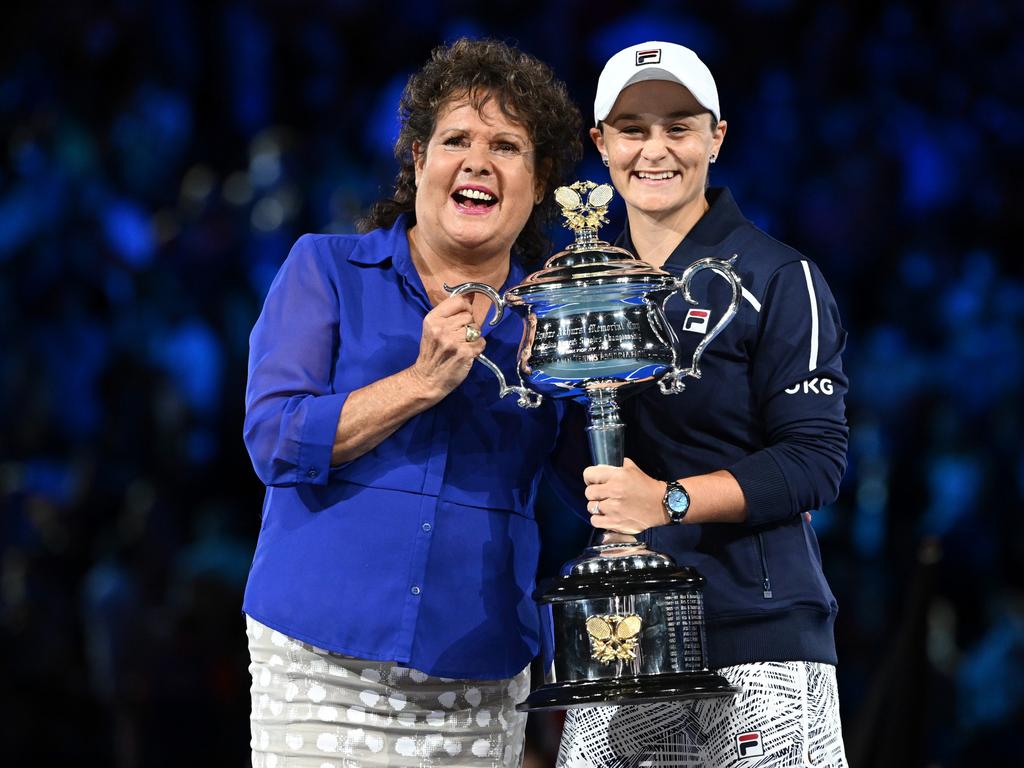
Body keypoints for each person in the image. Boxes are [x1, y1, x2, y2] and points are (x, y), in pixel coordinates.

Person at [241, 38, 582, 767]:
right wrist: (420, 383)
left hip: (478, 673)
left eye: (508, 145)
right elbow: (274, 439)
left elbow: (592, 487)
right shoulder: (326, 270)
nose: (478, 160)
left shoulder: (552, 322)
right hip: (318, 662)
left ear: (540, 177)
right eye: (456, 138)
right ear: (419, 160)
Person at [556, 42, 850, 767]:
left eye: (678, 127)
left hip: (758, 633)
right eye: (633, 129)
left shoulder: (781, 277)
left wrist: (668, 501)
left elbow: (815, 462)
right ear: (600, 145)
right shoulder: (574, 288)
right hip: (621, 637)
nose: (655, 149)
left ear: (716, 138)